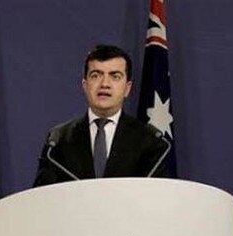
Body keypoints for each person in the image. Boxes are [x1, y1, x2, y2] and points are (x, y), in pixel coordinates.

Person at [32, 44, 172, 187]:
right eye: (96, 75)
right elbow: (42, 198)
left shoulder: (150, 141)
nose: (105, 84)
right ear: (85, 86)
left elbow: (156, 199)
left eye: (115, 76)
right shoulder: (58, 140)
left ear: (127, 88)